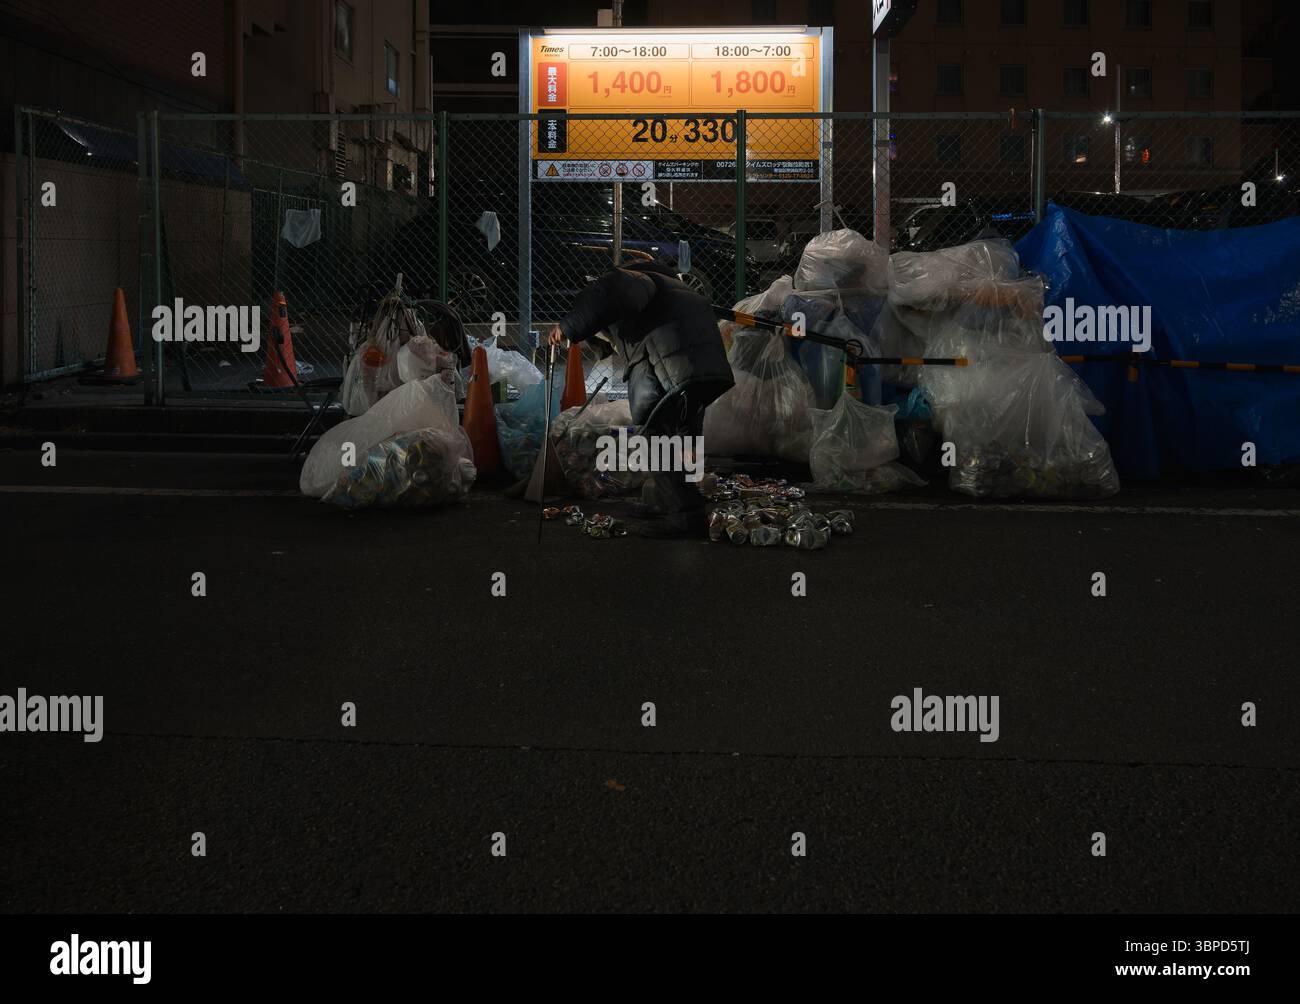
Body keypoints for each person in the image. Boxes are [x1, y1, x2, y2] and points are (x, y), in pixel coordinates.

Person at [549, 260, 733, 535]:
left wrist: (567, 327)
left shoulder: (633, 279)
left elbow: (608, 296)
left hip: (664, 363)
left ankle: (686, 517)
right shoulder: (678, 290)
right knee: (682, 435)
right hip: (706, 370)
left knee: (654, 437)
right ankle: (665, 502)